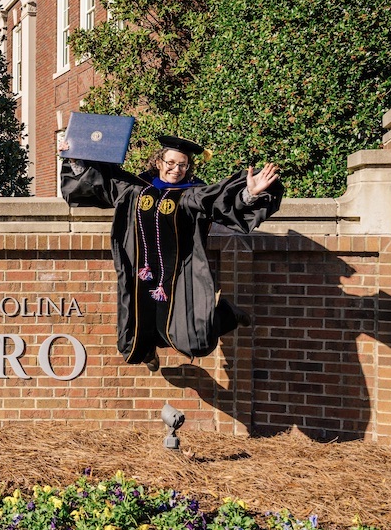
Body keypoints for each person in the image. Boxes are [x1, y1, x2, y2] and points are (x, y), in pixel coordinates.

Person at [59, 135, 283, 371]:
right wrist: (75, 156)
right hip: (140, 272)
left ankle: (227, 314)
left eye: (183, 165)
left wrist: (249, 192)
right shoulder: (136, 187)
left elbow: (222, 203)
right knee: (133, 336)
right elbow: (100, 183)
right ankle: (147, 352)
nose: (176, 170)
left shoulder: (193, 193)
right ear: (159, 162)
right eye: (171, 163)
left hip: (179, 274)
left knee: (197, 340)